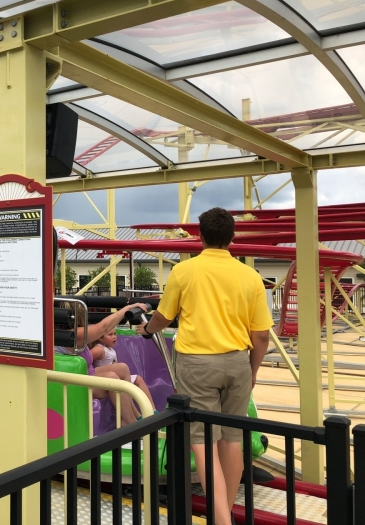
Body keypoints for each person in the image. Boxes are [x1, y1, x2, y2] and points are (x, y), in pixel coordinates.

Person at [137, 208, 271, 525]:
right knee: (233, 439)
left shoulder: (184, 272)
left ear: (200, 236)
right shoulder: (250, 276)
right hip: (238, 361)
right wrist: (252, 371)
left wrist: (148, 329)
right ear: (232, 237)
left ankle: (222, 520)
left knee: (203, 441)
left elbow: (164, 316)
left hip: (197, 364)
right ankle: (225, 513)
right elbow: (262, 336)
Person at [55, 301, 151, 426]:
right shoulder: (73, 336)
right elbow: (103, 327)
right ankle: (130, 422)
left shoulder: (68, 333)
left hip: (85, 374)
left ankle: (132, 416)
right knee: (112, 377)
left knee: (122, 368)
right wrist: (127, 308)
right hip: (75, 383)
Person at [91, 330, 156, 419]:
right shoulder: (99, 349)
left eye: (115, 334)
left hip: (116, 376)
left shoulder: (110, 349)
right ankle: (136, 414)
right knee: (124, 377)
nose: (114, 337)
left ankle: (153, 410)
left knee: (138, 379)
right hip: (106, 377)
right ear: (100, 338)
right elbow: (87, 359)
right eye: (110, 334)